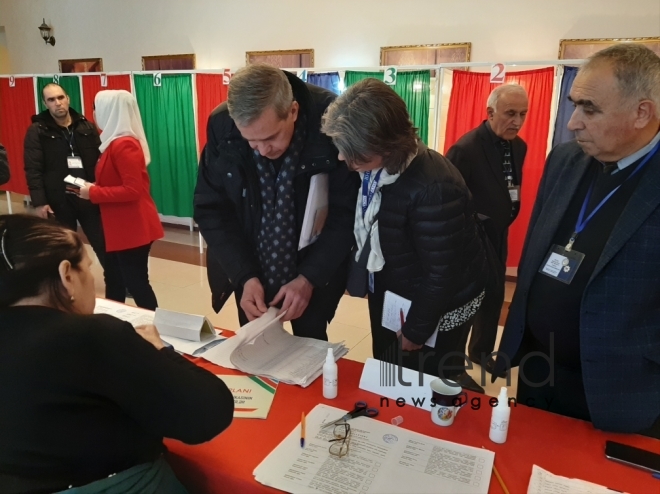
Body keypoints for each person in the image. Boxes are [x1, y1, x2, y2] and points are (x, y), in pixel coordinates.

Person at [494, 44, 660, 437]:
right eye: (574, 105)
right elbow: (537, 246)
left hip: (618, 388)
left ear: (642, 113)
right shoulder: (565, 160)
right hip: (538, 367)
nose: (572, 123)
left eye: (590, 109)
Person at [0, 214, 234, 493]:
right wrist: (159, 350)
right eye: (87, 267)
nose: (93, 277)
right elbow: (208, 413)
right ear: (67, 276)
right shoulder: (90, 336)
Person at [321, 78, 488, 392]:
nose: (343, 159)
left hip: (438, 305)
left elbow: (442, 273)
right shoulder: (382, 170)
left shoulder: (433, 187)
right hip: (399, 291)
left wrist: (417, 329)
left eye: (353, 152)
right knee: (391, 373)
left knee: (428, 384)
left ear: (387, 144)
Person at [194, 65, 359, 339]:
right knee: (254, 346)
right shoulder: (222, 126)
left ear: (293, 111)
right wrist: (243, 275)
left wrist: (309, 278)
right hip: (249, 263)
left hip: (314, 265)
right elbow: (211, 208)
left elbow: (347, 212)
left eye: (271, 137)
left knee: (309, 345)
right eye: (251, 141)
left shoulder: (330, 123)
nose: (262, 149)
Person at [446, 84, 528, 377]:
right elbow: (448, 199)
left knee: (494, 295)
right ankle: (453, 365)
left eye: (522, 114)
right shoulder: (465, 149)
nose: (517, 121)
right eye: (510, 114)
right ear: (490, 113)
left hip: (498, 232)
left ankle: (480, 352)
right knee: (466, 299)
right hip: (470, 239)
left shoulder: (519, 146)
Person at [77, 90, 164, 310]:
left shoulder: (124, 144)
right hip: (119, 226)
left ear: (110, 111)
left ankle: (157, 328)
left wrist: (94, 193)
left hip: (132, 227)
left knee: (136, 283)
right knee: (114, 279)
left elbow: (133, 190)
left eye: (97, 108)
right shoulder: (113, 142)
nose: (94, 114)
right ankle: (114, 323)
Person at [23, 84, 108, 275]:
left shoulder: (86, 126)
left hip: (88, 196)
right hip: (58, 199)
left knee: (102, 240)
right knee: (63, 245)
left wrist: (101, 191)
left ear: (68, 98)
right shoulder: (38, 131)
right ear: (45, 103)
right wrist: (39, 203)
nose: (57, 103)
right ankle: (66, 280)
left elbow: (100, 161)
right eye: (51, 100)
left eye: (60, 98)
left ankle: (117, 279)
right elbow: (33, 169)